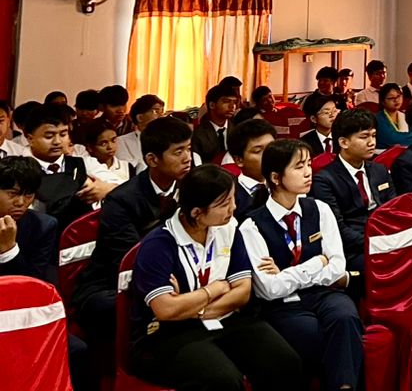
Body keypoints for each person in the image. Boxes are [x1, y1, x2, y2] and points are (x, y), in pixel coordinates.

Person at [128, 163, 302, 391]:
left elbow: (242, 291)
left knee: (285, 363)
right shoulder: (158, 244)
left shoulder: (229, 228)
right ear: (196, 213)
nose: (233, 207)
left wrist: (193, 306)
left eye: (233, 199)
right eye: (224, 204)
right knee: (223, 380)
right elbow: (166, 310)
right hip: (167, 333)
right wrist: (215, 289)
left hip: (224, 319)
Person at [239, 140, 364, 391]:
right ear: (276, 177)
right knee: (311, 334)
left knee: (346, 317)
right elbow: (269, 290)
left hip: (324, 294)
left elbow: (337, 267)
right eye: (299, 167)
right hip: (282, 305)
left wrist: (288, 274)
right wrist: (317, 262)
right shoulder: (251, 226)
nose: (308, 172)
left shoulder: (319, 209)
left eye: (308, 164)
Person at [72, 115, 193, 339]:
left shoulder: (191, 188)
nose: (188, 158)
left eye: (189, 149)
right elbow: (128, 257)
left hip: (173, 272)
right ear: (152, 159)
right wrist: (166, 283)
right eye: (178, 152)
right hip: (113, 281)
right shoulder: (121, 200)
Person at [311, 108, 393, 288]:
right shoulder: (324, 180)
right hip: (353, 248)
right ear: (343, 142)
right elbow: (337, 228)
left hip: (385, 239)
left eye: (373, 135)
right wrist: (375, 242)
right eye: (364, 137)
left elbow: (393, 210)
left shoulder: (379, 170)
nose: (372, 142)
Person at [20, 101, 108, 226]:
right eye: (49, 136)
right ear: (30, 138)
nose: (57, 141)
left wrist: (107, 189)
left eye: (63, 134)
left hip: (79, 235)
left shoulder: (84, 163)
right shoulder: (19, 169)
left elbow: (123, 187)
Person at [0, 156, 57, 281]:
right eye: (13, 193)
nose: (20, 202)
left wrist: (9, 250)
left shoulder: (43, 227)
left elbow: (33, 281)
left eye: (28, 195)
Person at [227, 117, 276, 220]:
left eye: (272, 148)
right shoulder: (229, 195)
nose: (269, 154)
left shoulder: (286, 185)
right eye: (258, 151)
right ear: (239, 160)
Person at [191, 84, 241, 166]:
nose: (232, 106)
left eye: (234, 102)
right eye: (226, 101)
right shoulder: (198, 134)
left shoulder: (237, 130)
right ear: (212, 105)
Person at [116, 94, 168, 166]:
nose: (161, 116)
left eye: (162, 112)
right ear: (140, 117)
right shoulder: (122, 142)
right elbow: (127, 168)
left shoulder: (167, 140)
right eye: (156, 112)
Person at [84, 117, 136, 185]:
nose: (110, 147)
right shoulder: (85, 168)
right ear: (90, 147)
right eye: (103, 144)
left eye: (113, 140)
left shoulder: (127, 166)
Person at [374, 83, 412, 149]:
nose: (396, 100)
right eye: (391, 98)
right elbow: (392, 139)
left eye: (398, 96)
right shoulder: (377, 119)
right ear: (383, 101)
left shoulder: (406, 116)